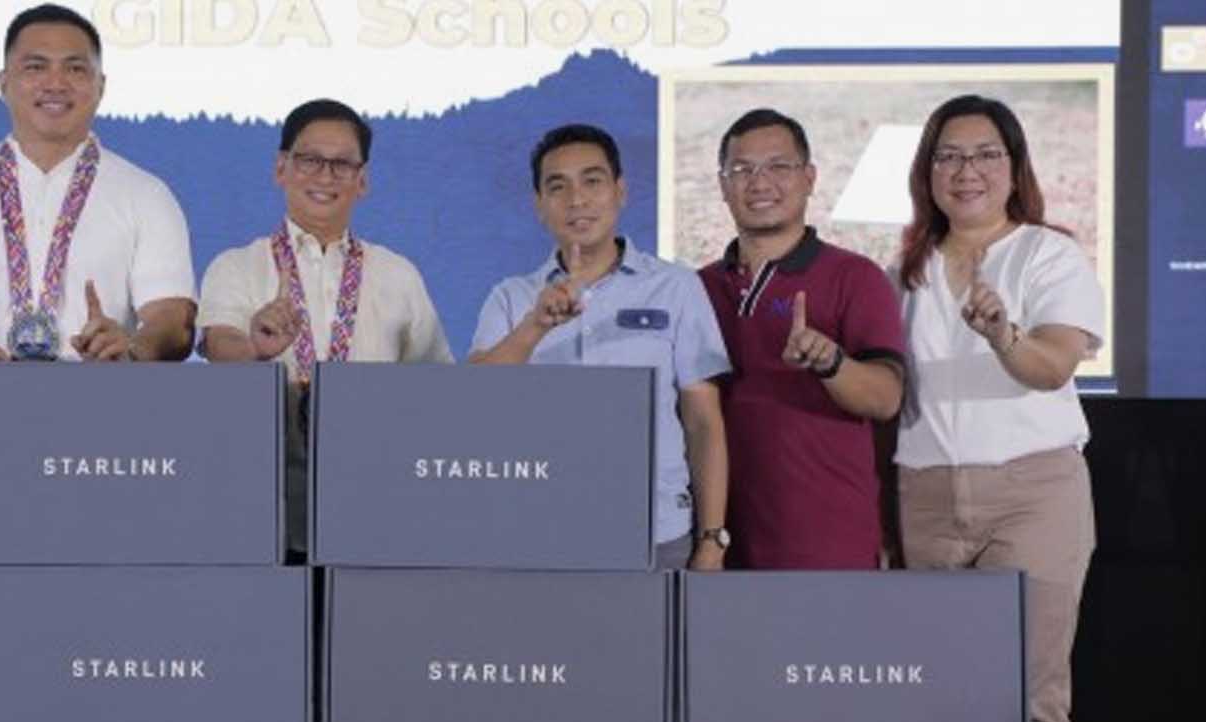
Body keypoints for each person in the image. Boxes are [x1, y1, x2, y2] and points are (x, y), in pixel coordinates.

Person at [892, 94, 1104, 722]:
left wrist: (1001, 334)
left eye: (985, 154)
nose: (966, 171)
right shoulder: (903, 271)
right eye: (949, 155)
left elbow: (1051, 366)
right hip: (926, 494)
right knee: (943, 695)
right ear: (928, 172)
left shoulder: (1047, 254)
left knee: (1032, 694)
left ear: (1014, 168)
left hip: (1034, 491)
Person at [0, 4, 195, 379]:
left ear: (100, 85)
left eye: (75, 69)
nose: (56, 83)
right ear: (3, 82)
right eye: (36, 67)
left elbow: (173, 319)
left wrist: (132, 348)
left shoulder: (147, 195)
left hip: (107, 404)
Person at [470, 124, 729, 571]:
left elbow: (703, 422)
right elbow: (471, 402)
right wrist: (534, 327)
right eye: (558, 187)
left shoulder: (677, 288)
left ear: (620, 191)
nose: (577, 200)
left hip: (656, 532)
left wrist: (711, 540)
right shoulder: (511, 298)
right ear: (539, 205)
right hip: (538, 531)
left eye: (592, 181)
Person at [198, 98, 452, 552]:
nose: (325, 176)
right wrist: (255, 348)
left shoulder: (398, 274)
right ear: (281, 168)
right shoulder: (236, 265)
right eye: (310, 160)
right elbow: (219, 345)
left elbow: (437, 386)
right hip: (261, 513)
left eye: (342, 165)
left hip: (377, 510)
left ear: (362, 180)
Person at [696, 108, 907, 570]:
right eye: (742, 169)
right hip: (721, 546)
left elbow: (886, 398)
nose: (760, 182)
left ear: (809, 178)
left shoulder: (855, 277)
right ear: (723, 186)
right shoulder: (697, 288)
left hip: (827, 543)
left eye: (778, 166)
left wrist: (831, 362)